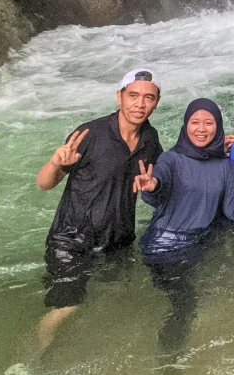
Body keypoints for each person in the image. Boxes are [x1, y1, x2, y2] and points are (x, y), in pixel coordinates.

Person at [134, 98, 234, 350]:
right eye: (195, 122)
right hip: (162, 246)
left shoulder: (224, 166)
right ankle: (169, 365)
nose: (201, 129)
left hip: (196, 245)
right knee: (186, 304)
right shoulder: (171, 159)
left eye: (208, 123)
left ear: (218, 127)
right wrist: (151, 186)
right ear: (185, 125)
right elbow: (158, 188)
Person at [36, 68, 162, 347]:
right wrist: (56, 162)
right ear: (119, 97)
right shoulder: (90, 134)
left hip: (117, 241)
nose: (140, 104)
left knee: (112, 297)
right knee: (66, 307)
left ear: (157, 102)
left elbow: (163, 180)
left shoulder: (150, 140)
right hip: (71, 239)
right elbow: (45, 183)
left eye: (148, 98)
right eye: (133, 96)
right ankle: (36, 357)